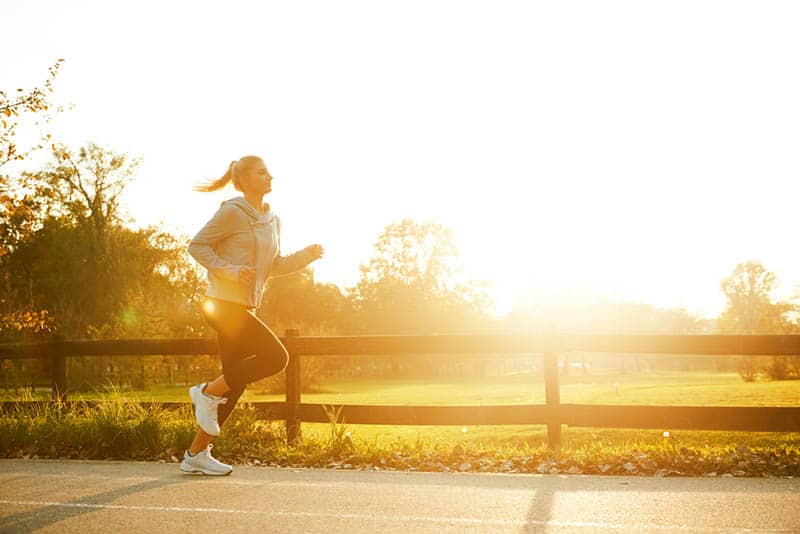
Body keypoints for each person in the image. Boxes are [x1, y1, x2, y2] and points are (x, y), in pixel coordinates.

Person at [180, 155, 324, 475]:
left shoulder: (273, 220)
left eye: (269, 171)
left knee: (236, 381)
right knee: (276, 357)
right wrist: (230, 271)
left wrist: (306, 257)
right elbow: (197, 246)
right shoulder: (232, 212)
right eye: (262, 172)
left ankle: (196, 454)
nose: (270, 176)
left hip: (243, 307)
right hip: (222, 304)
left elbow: (274, 267)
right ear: (244, 180)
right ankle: (205, 392)